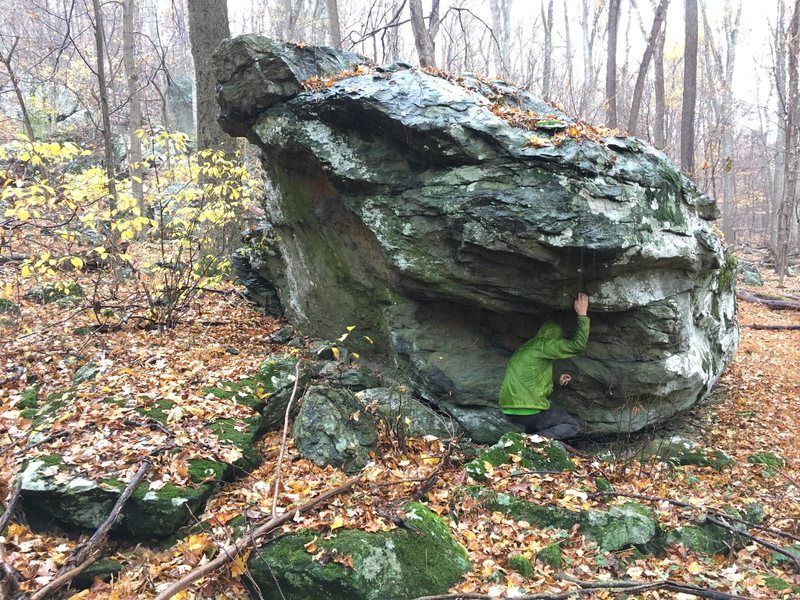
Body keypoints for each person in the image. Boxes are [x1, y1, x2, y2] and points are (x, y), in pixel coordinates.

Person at [499, 293, 590, 440]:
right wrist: (582, 314)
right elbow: (577, 346)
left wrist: (556, 380)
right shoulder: (545, 345)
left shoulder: (526, 348)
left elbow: (529, 377)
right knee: (571, 425)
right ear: (555, 338)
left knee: (536, 423)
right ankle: (532, 442)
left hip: (510, 409)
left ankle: (527, 443)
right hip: (529, 407)